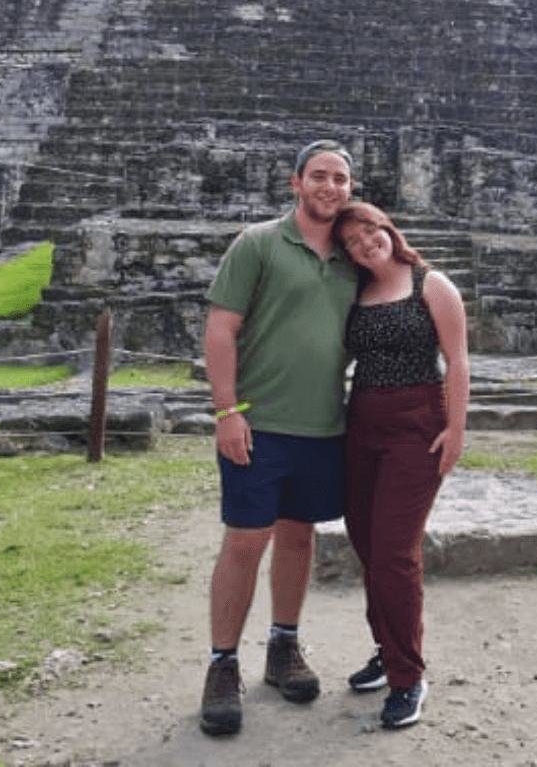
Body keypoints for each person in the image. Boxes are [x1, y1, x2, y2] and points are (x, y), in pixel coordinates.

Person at [199, 139, 358, 737]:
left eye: (340, 178)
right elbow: (221, 328)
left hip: (323, 426)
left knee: (298, 536)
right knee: (245, 541)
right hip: (258, 423)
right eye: (319, 175)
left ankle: (283, 645)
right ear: (296, 182)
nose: (330, 187)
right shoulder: (258, 244)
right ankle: (222, 663)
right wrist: (226, 411)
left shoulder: (353, 255)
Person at [332, 200, 470, 730]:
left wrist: (455, 429)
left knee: (394, 551)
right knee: (366, 541)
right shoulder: (358, 292)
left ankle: (408, 676)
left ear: (386, 227)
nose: (365, 243)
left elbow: (457, 360)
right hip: (363, 421)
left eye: (369, 231)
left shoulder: (430, 284)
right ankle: (386, 648)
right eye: (351, 242)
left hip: (417, 423)